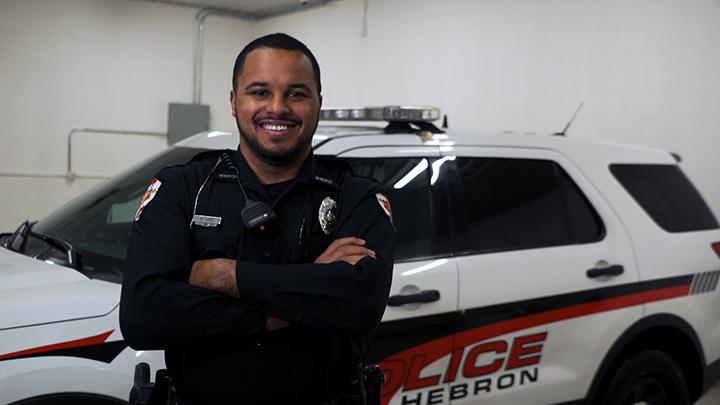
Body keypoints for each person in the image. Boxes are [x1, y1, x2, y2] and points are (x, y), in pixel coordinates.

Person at [119, 33, 394, 405]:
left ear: (318, 103)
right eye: (260, 92)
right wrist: (280, 308)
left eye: (296, 93)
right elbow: (144, 314)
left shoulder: (355, 197)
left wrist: (223, 275)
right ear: (234, 101)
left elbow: (359, 304)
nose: (278, 108)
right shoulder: (182, 189)